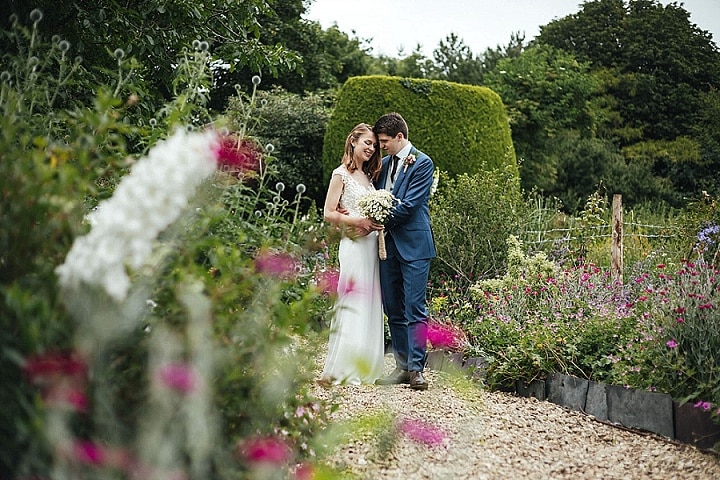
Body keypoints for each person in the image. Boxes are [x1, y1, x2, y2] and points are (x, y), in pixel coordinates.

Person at [318, 123, 386, 386]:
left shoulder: (369, 179)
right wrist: (358, 222)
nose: (371, 148)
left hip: (370, 248)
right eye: (367, 143)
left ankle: (365, 365)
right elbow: (328, 212)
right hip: (354, 246)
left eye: (374, 145)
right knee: (353, 301)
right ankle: (343, 367)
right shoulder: (340, 174)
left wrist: (377, 222)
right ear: (353, 142)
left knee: (370, 301)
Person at [373, 112, 436, 391]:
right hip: (387, 247)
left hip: (414, 246)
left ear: (400, 137)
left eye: (385, 141)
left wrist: (377, 217)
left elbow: (410, 205)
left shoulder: (422, 163)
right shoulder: (383, 164)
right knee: (393, 308)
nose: (381, 146)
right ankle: (401, 365)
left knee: (414, 308)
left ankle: (417, 370)